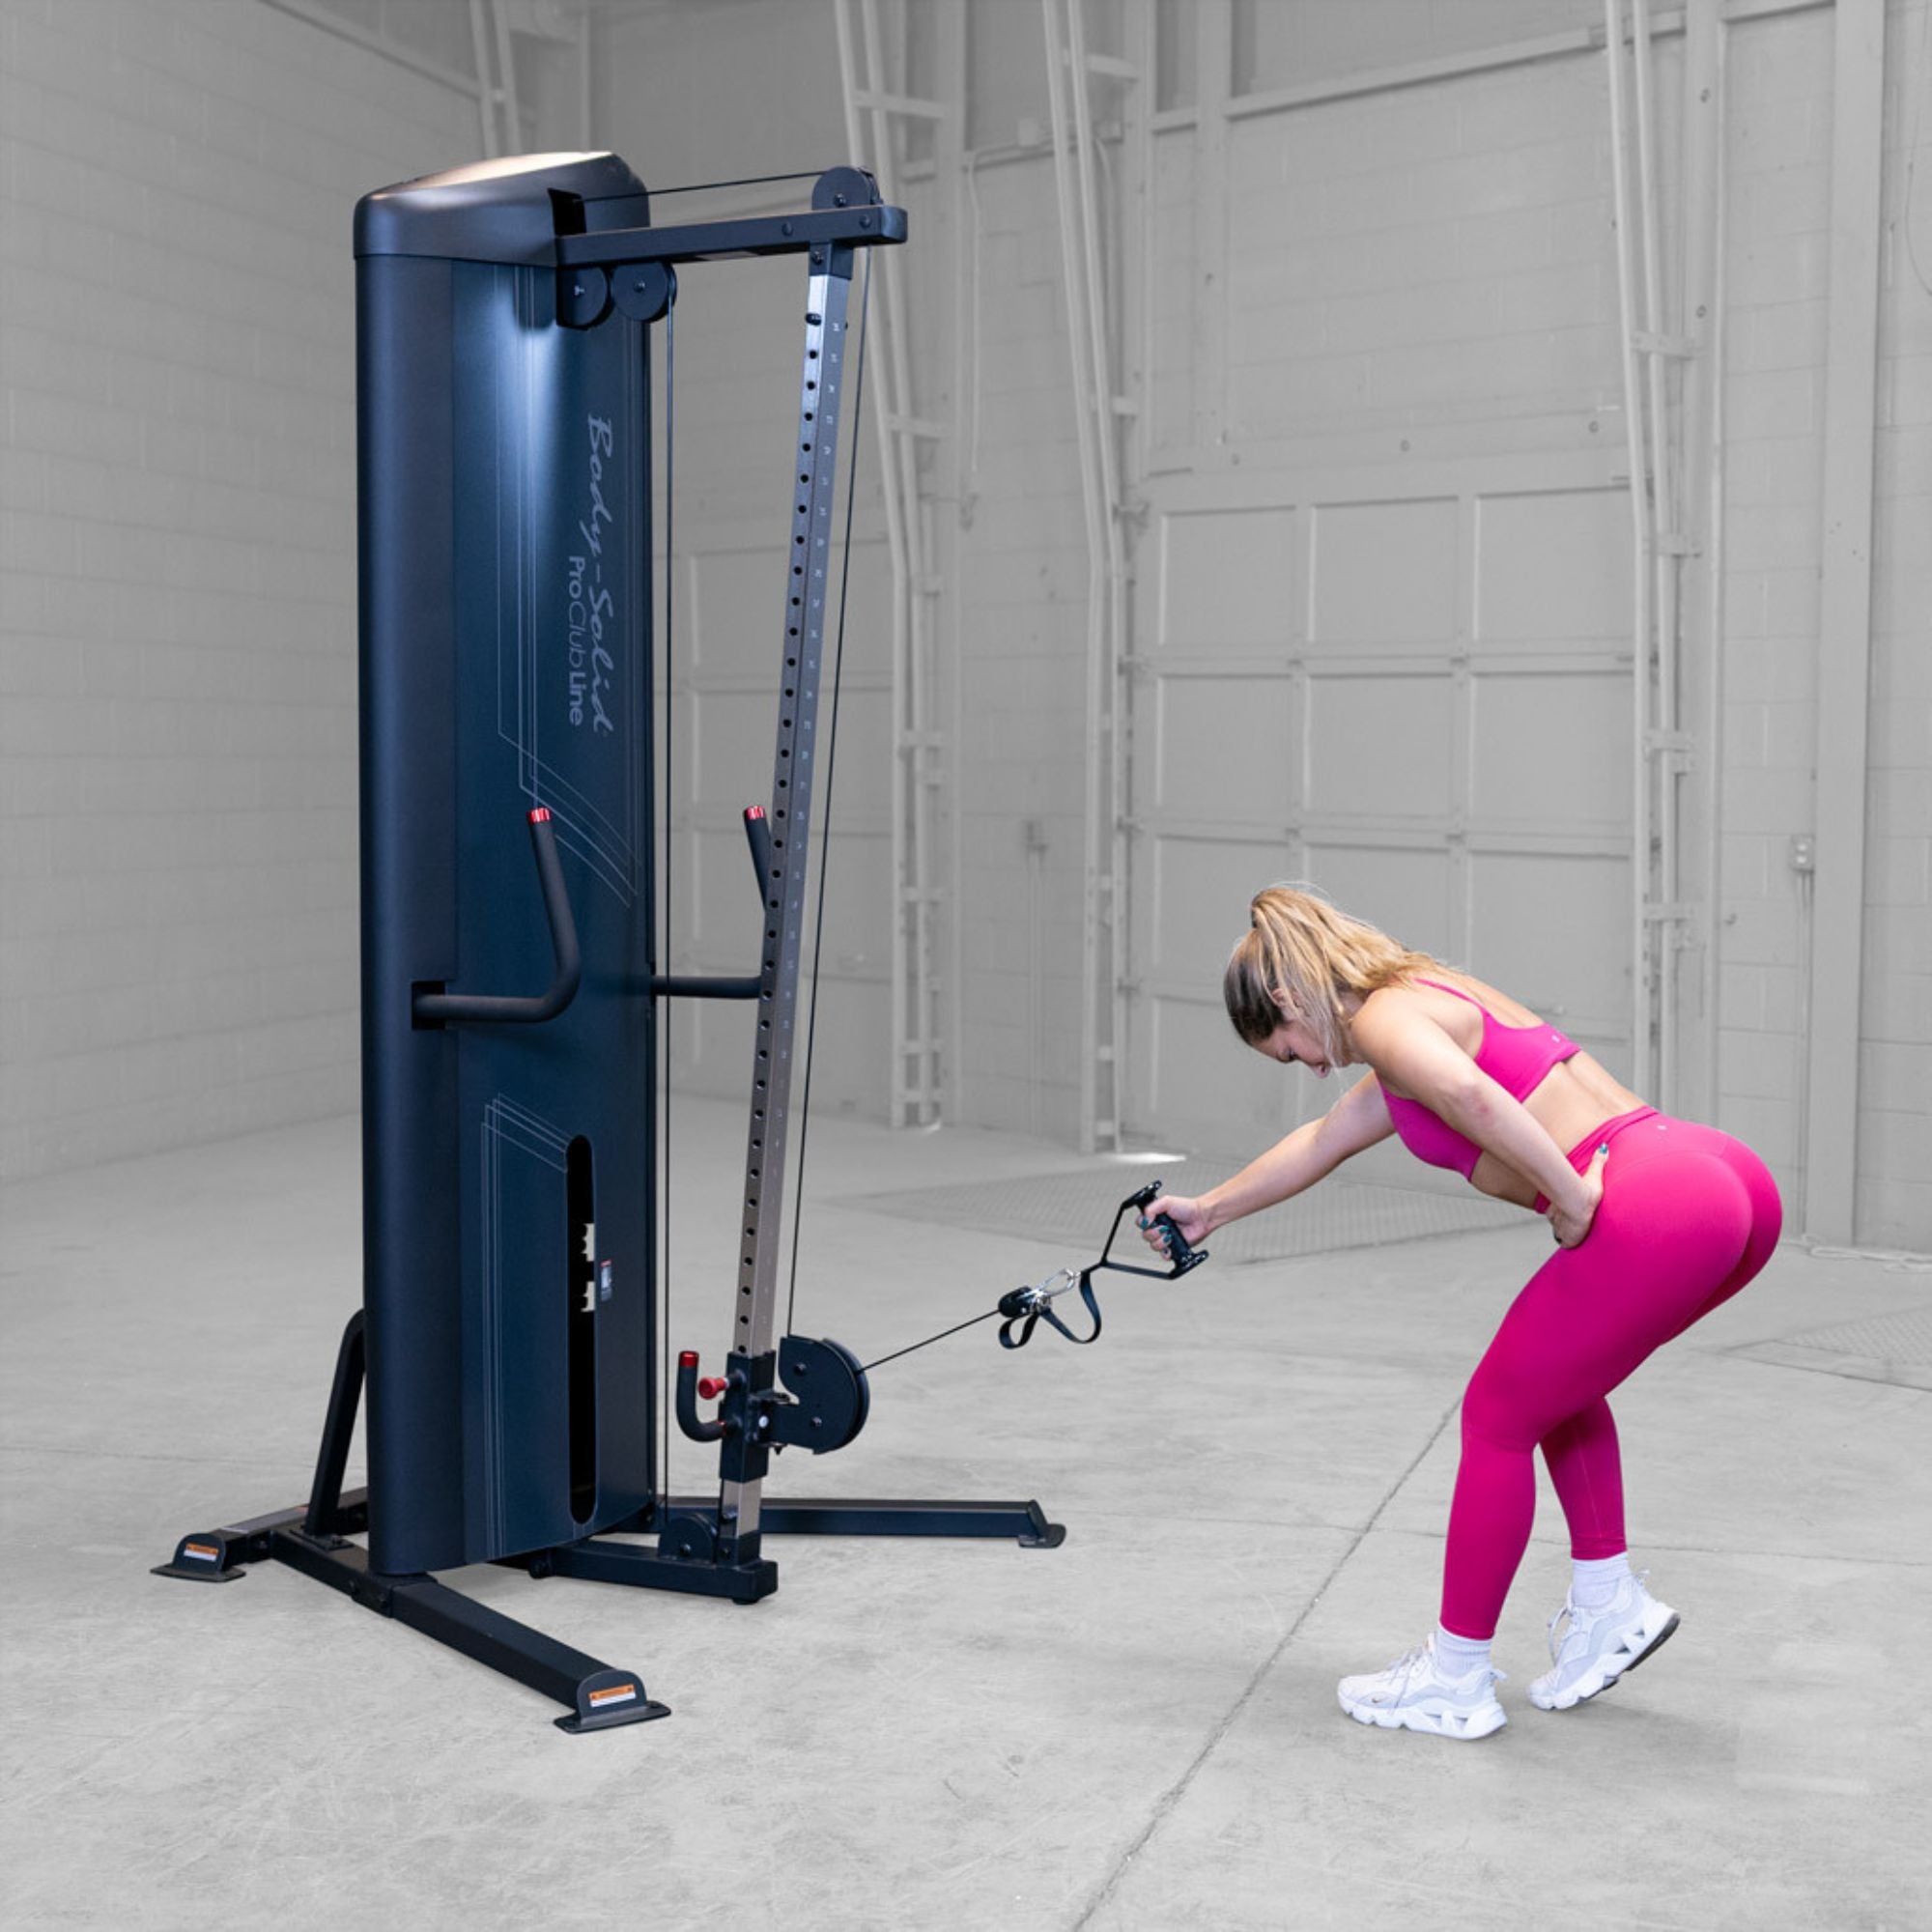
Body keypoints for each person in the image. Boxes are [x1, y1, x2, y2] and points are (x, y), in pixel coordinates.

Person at [1142, 886, 1781, 1741]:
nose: (1312, 1064)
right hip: (1716, 1176)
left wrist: (1568, 1195)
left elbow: (1472, 1099)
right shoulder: (1422, 1000)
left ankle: (1455, 1674)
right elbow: (1325, 1140)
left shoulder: (1383, 1022)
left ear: (1291, 1000)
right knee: (1551, 1386)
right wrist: (1210, 1209)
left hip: (1651, 1198)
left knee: (1494, 1418)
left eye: (1289, 1049)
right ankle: (1606, 1604)